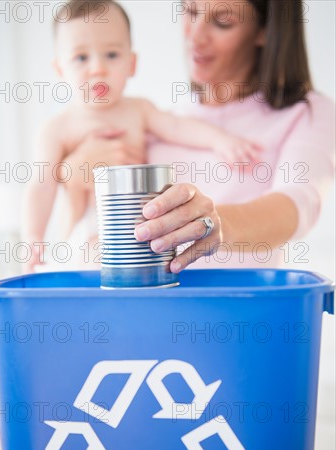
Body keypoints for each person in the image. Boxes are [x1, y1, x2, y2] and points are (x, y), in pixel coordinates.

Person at [58, 0, 335, 272]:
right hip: (146, 314)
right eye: (190, 11)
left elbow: (296, 205)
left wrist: (216, 223)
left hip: (243, 314)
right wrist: (70, 181)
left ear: (264, 30)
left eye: (222, 21)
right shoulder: (152, 124)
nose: (195, 36)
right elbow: (78, 244)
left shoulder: (307, 114)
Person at [22, 0, 262, 273]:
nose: (98, 68)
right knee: (93, 258)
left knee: (153, 263)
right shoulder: (57, 128)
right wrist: (33, 237)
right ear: (60, 70)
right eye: (81, 58)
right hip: (90, 226)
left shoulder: (138, 110)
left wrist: (221, 140)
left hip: (141, 225)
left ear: (132, 63)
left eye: (111, 55)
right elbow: (41, 185)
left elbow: (177, 127)